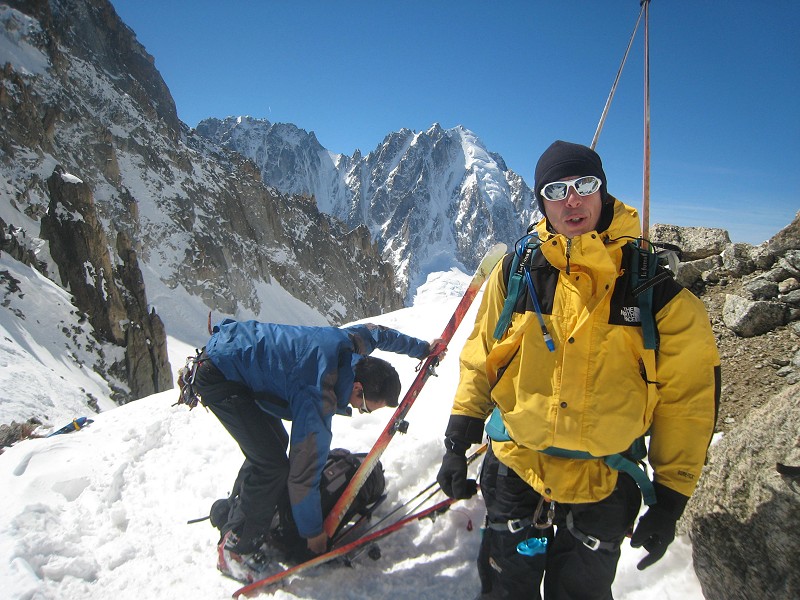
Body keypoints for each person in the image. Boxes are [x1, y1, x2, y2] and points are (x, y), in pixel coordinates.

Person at [436, 140, 720, 599]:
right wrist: (458, 439)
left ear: (603, 192)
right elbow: (480, 357)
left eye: (584, 185)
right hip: (517, 469)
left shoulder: (653, 290)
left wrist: (671, 498)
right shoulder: (516, 273)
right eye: (556, 189)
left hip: (605, 481)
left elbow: (687, 400)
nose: (572, 199)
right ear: (541, 203)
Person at [191, 318, 442, 563]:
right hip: (220, 377)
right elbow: (304, 473)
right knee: (271, 465)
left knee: (272, 447)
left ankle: (239, 516)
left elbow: (380, 334)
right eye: (364, 408)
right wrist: (313, 533)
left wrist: (422, 349)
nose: (359, 411)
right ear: (357, 389)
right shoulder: (319, 393)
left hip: (234, 351)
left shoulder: (350, 344)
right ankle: (237, 547)